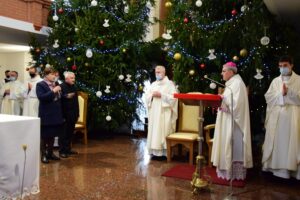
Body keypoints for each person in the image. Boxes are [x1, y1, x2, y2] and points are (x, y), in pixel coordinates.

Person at [211, 61, 253, 180]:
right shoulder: (231, 83)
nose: (222, 73)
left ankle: (234, 173)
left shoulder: (237, 83)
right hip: (226, 119)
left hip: (234, 123)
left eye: (224, 71)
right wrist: (221, 101)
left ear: (231, 72)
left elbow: (237, 105)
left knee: (233, 146)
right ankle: (226, 171)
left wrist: (222, 98)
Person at [262, 55, 300, 179]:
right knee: (277, 143)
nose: (282, 68)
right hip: (277, 118)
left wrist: (289, 92)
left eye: (285, 66)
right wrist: (281, 94)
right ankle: (275, 169)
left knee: (290, 144)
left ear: (291, 65)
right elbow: (269, 97)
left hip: (292, 118)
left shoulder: (298, 80)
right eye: (280, 66)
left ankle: (290, 170)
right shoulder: (275, 81)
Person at [145, 65, 178, 159]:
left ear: (164, 73)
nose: (157, 74)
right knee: (154, 131)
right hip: (154, 111)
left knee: (163, 131)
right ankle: (154, 152)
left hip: (164, 112)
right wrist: (151, 96)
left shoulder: (170, 84)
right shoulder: (153, 84)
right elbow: (147, 96)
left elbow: (174, 98)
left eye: (159, 72)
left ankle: (164, 153)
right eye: (156, 72)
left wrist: (161, 95)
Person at [36, 67, 64, 164]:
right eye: (52, 74)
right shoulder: (40, 85)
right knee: (44, 136)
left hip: (55, 114)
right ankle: (43, 155)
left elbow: (58, 97)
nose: (54, 76)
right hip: (46, 114)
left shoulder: (56, 84)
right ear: (46, 75)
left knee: (52, 135)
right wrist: (53, 91)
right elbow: (42, 97)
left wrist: (64, 95)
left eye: (55, 74)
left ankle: (50, 153)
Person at [59, 71, 79, 158]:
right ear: (66, 78)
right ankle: (62, 151)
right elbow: (58, 100)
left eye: (74, 78)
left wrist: (77, 113)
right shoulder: (61, 87)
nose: (73, 80)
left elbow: (76, 102)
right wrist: (66, 96)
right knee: (64, 133)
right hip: (64, 114)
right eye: (72, 78)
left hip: (73, 113)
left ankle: (68, 149)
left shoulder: (74, 86)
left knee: (70, 133)